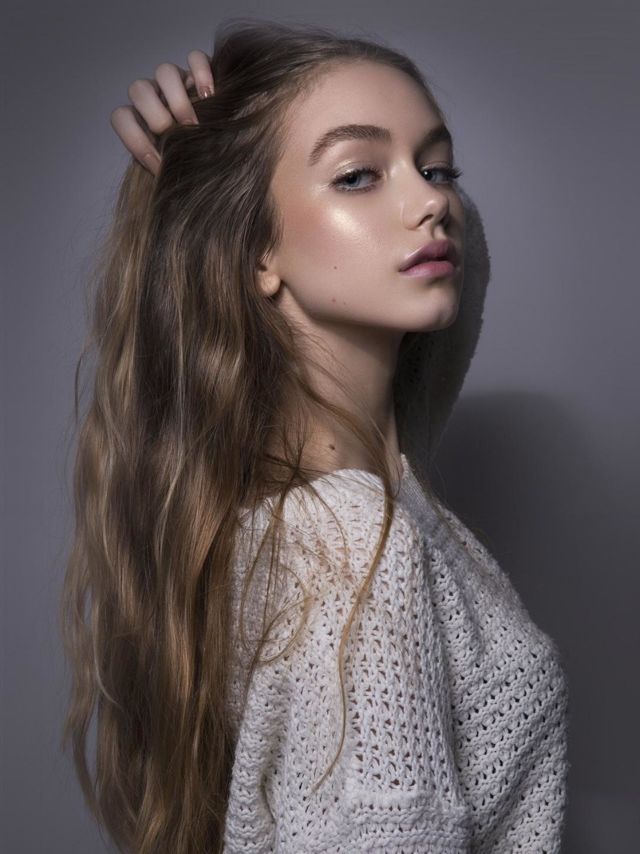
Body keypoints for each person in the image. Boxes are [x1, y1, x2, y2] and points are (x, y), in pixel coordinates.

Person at [60, 19, 570, 854]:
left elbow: (455, 272)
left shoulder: (346, 490)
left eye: (438, 168)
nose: (433, 203)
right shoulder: (356, 546)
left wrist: (202, 163)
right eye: (359, 174)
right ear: (256, 247)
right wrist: (208, 167)